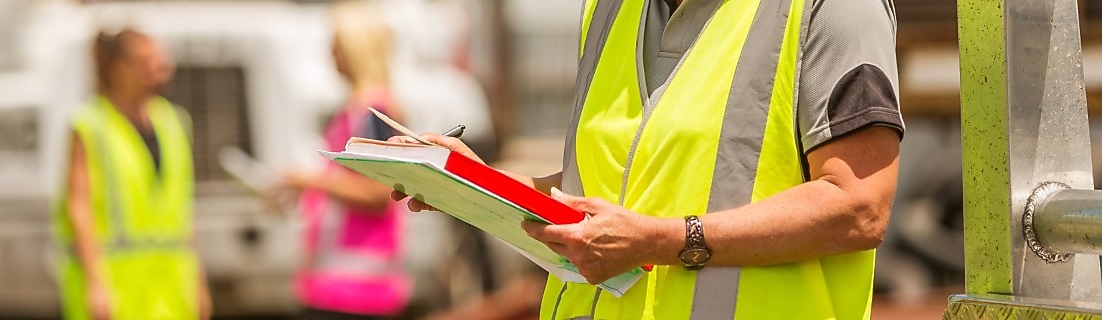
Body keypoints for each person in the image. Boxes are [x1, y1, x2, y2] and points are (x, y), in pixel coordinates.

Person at [393, 0, 903, 318]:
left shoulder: (832, 7)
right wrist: (471, 182)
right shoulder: (608, 11)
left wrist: (662, 241)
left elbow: (859, 207)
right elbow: (603, 191)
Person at [53, 29, 211, 320]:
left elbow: (186, 210)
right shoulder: (90, 124)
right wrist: (95, 283)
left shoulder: (174, 121)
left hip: (171, 288)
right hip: (118, 288)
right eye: (145, 60)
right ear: (117, 68)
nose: (159, 67)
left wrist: (198, 282)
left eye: (159, 58)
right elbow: (80, 208)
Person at [278, 1, 411, 319]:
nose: (330, 54)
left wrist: (311, 181)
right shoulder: (357, 111)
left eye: (335, 45)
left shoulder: (374, 112)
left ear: (355, 48)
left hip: (357, 291)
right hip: (340, 287)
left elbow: (379, 194)